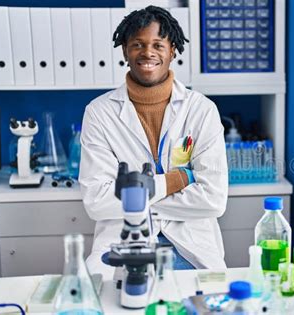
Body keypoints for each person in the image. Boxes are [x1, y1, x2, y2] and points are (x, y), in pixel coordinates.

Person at [79, 6, 228, 280]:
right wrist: (175, 181)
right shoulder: (99, 112)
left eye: (158, 44)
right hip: (123, 245)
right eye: (137, 44)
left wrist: (136, 198)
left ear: (173, 51)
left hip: (190, 248)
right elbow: (97, 202)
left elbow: (214, 199)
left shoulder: (201, 110)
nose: (148, 52)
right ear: (125, 50)